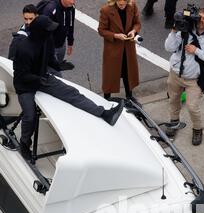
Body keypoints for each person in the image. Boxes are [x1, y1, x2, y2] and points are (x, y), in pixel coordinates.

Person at [13, 15, 124, 160]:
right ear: (40, 31)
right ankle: (24, 143)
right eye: (48, 30)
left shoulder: (47, 39)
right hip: (25, 86)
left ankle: (104, 114)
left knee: (72, 94)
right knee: (30, 116)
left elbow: (50, 59)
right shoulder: (23, 49)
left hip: (42, 78)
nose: (51, 32)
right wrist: (38, 78)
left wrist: (59, 66)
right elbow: (21, 76)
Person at [164, 8, 204, 146]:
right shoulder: (185, 28)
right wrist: (174, 30)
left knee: (192, 106)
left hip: (194, 79)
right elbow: (169, 48)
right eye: (199, 17)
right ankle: (174, 122)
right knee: (173, 100)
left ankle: (197, 129)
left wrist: (196, 51)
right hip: (175, 74)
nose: (201, 21)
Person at [98, 0, 141, 103]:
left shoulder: (132, 6)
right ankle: (107, 98)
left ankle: (129, 96)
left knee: (128, 71)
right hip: (113, 49)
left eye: (124, 3)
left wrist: (133, 31)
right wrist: (116, 35)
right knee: (110, 74)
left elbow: (137, 23)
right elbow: (101, 30)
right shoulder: (106, 10)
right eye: (119, 3)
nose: (122, 6)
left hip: (128, 47)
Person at [36, 0, 76, 70]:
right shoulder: (50, 9)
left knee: (57, 66)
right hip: (50, 47)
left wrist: (70, 43)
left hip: (61, 44)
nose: (73, 2)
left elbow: (71, 25)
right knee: (55, 73)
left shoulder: (71, 8)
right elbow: (43, 31)